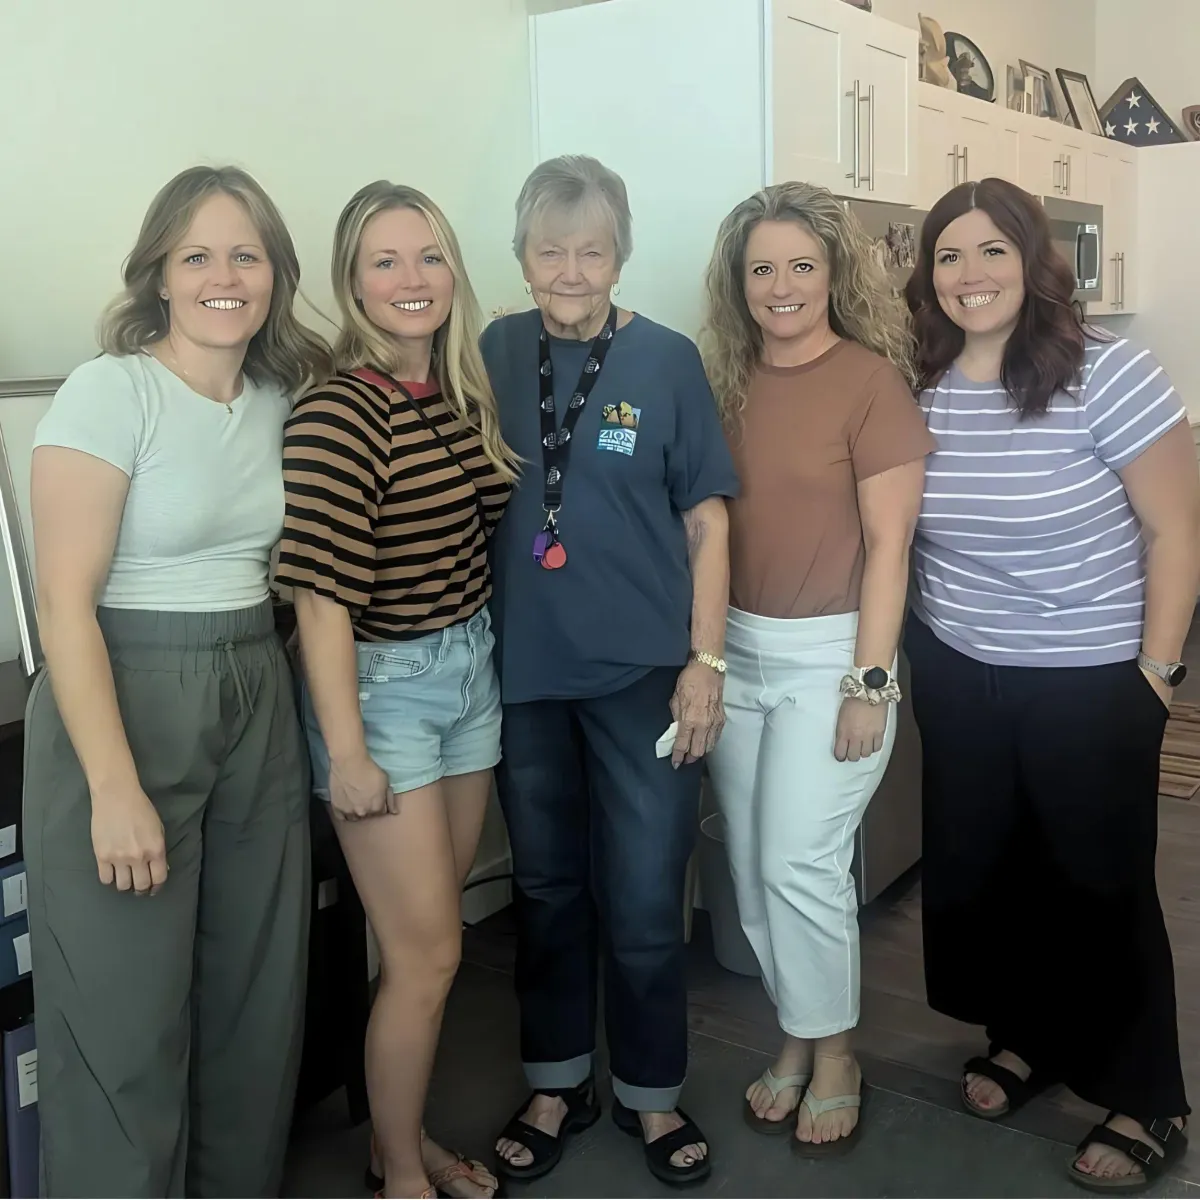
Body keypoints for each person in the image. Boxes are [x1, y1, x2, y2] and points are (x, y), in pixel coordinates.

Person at [24, 165, 329, 1197]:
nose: (223, 276)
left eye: (246, 254)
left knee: (254, 1002)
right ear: (158, 274)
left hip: (254, 684)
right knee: (125, 1023)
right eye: (196, 254)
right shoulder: (110, 391)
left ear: (276, 276)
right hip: (126, 692)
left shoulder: (281, 399)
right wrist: (113, 790)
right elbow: (64, 603)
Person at [904, 177, 1197, 1193]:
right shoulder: (923, 377)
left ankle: (1147, 1095)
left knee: (1100, 886)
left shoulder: (1107, 373)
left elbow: (1177, 530)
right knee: (993, 870)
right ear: (928, 273)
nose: (970, 273)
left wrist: (1155, 678)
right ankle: (1027, 1038)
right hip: (957, 666)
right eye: (950, 254)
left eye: (993, 251)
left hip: (1088, 674)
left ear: (1036, 265)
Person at [481, 155, 738, 1189]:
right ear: (523, 256)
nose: (572, 270)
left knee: (639, 894)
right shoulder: (491, 350)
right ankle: (555, 1080)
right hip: (525, 673)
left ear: (621, 254)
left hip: (645, 673)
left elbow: (708, 521)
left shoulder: (669, 360)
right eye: (551, 249)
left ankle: (651, 1090)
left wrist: (705, 660)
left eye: (592, 250)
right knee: (545, 888)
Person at [275, 181, 515, 1200]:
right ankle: (401, 1172)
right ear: (352, 283)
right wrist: (351, 755)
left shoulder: (455, 392)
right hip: (385, 694)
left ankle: (396, 1142)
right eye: (386, 261)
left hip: (468, 671)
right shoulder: (339, 409)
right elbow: (319, 601)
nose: (412, 280)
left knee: (433, 946)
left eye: (428, 257)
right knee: (424, 958)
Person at [699, 182, 934, 1155]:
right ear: (738, 284)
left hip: (832, 657)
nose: (782, 286)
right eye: (763, 269)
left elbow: (892, 547)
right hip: (737, 653)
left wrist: (869, 684)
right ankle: (799, 1038)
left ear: (834, 274)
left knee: (800, 863)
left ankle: (834, 1053)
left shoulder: (871, 382)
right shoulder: (726, 382)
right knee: (755, 874)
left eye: (802, 265)